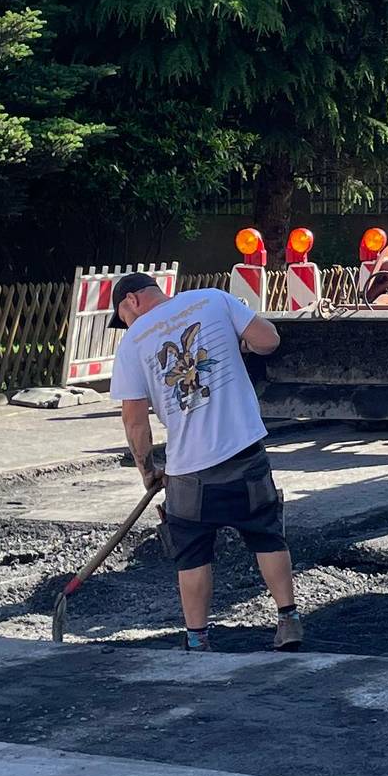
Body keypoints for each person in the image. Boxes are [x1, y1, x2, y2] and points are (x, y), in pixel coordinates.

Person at [107, 271, 302, 651]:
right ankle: (288, 619)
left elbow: (134, 419)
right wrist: (238, 344)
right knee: (266, 533)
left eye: (123, 317)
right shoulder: (214, 299)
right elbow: (269, 340)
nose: (126, 325)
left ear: (132, 300)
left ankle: (197, 640)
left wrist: (148, 471)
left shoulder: (134, 342)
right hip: (246, 452)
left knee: (192, 551)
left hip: (189, 471)